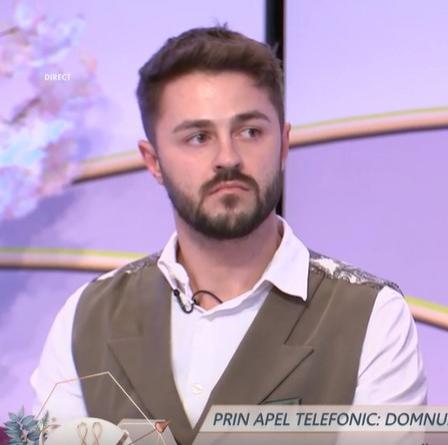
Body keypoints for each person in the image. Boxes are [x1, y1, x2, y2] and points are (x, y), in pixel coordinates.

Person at [30, 26, 426, 445]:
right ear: (153, 161)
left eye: (250, 131)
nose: (228, 158)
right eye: (198, 137)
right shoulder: (86, 318)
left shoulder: (371, 316)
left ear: (283, 144)